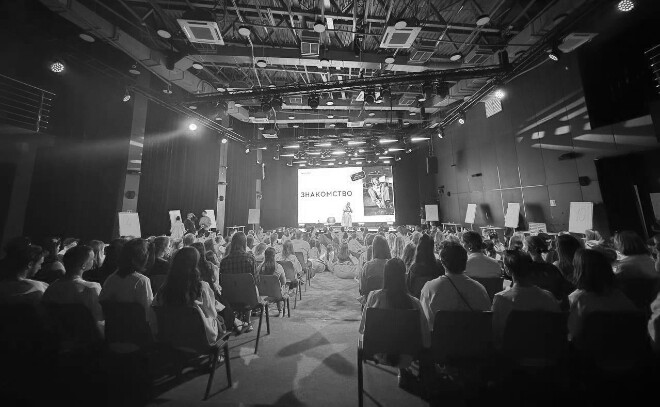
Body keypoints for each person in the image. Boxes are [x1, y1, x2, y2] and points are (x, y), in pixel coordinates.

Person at [359, 258, 430, 370]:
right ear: (404, 276)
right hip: (407, 354)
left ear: (385, 275)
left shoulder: (374, 297)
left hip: (378, 351)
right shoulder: (415, 303)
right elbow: (425, 337)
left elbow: (363, 328)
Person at [154, 247, 225, 345]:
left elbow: (154, 308)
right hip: (199, 339)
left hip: (172, 338)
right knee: (218, 318)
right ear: (195, 265)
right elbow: (212, 314)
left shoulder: (163, 289)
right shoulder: (201, 287)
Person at [491, 250, 560, 349]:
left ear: (507, 270)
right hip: (543, 352)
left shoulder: (501, 299)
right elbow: (556, 330)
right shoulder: (548, 297)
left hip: (511, 353)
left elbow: (496, 333)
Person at [568, 249, 637, 342]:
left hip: (591, 348)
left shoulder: (579, 300)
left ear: (578, 271)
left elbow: (573, 333)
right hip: (623, 346)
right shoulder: (621, 296)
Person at [420, 241, 491, 330]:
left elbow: (425, 323)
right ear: (465, 262)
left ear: (442, 263)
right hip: (473, 338)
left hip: (442, 338)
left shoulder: (430, 288)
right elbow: (485, 321)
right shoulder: (480, 289)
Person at [42, 245, 104, 327]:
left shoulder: (51, 287)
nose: (94, 261)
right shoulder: (91, 288)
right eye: (92, 259)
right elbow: (98, 319)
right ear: (83, 265)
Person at [99, 238, 153, 322]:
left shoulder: (111, 279)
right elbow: (148, 314)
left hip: (114, 327)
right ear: (142, 258)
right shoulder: (142, 281)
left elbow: (102, 306)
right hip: (136, 327)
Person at [0, 238, 48, 305]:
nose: (40, 268)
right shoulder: (37, 291)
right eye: (40, 264)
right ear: (30, 264)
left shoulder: (3, 284)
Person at [524, 236, 567, 301]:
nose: (523, 248)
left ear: (530, 248)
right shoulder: (552, 268)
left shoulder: (527, 269)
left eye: (524, 245)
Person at [407, 234, 444, 299]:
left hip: (418, 302)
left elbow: (409, 289)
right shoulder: (439, 266)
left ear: (418, 248)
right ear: (432, 248)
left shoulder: (413, 269)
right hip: (435, 301)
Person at [256, 248, 287, 316]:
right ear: (274, 256)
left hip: (262, 294)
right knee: (280, 288)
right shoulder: (279, 267)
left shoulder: (259, 267)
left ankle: (263, 309)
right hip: (276, 295)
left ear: (265, 255)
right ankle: (280, 310)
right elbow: (283, 282)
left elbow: (256, 280)